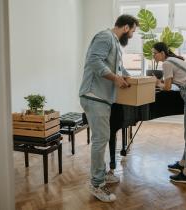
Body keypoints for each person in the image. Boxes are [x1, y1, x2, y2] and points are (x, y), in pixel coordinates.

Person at [79, 14, 139, 202]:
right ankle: (96, 184)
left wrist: (133, 79)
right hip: (94, 95)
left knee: (102, 138)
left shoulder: (115, 43)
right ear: (126, 27)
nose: (131, 36)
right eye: (133, 32)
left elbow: (119, 68)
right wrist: (116, 78)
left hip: (103, 98)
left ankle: (102, 174)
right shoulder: (105, 37)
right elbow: (94, 62)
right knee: (100, 139)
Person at [152, 42, 186, 184]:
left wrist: (158, 83)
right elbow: (176, 81)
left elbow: (168, 87)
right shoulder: (175, 60)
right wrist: (161, 82)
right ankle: (183, 163)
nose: (153, 56)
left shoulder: (167, 63)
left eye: (155, 53)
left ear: (162, 53)